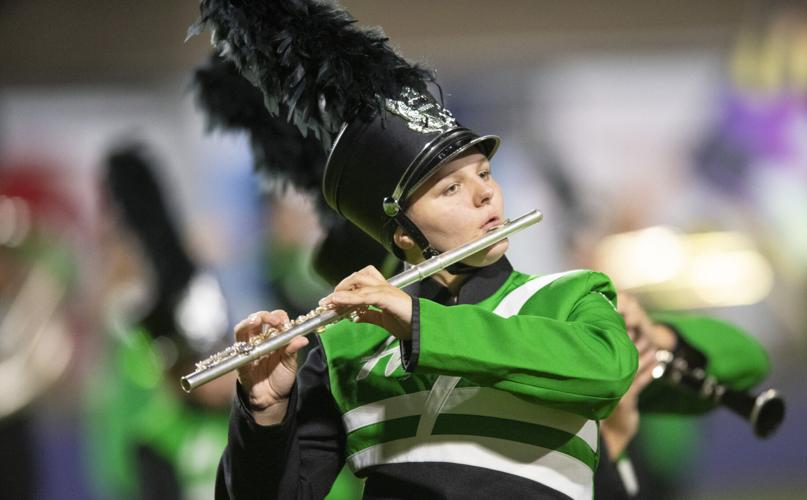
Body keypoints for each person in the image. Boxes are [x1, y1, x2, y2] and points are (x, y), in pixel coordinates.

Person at [594, 292, 772, 499]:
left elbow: (752, 362)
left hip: (667, 470)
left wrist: (658, 336)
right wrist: (612, 439)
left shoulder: (625, 371)